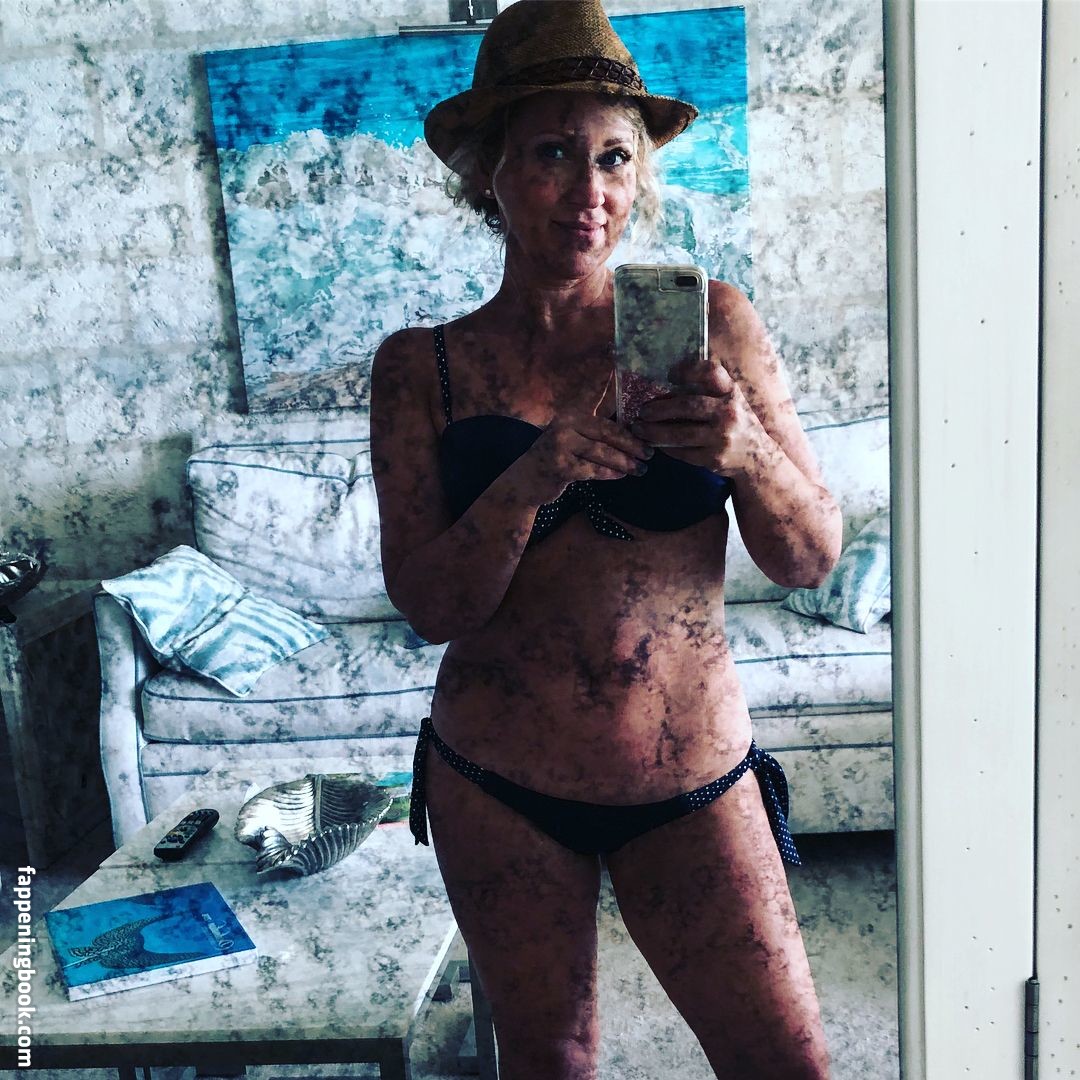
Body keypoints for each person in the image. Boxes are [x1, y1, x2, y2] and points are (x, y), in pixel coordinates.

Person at [370, 2, 842, 1077]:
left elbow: (809, 558)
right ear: (489, 172)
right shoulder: (422, 367)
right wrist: (535, 475)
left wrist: (746, 451)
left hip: (692, 778)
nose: (590, 191)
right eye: (552, 153)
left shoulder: (714, 323)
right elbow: (432, 606)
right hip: (496, 783)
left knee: (788, 1064)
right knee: (554, 1063)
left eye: (614, 158)